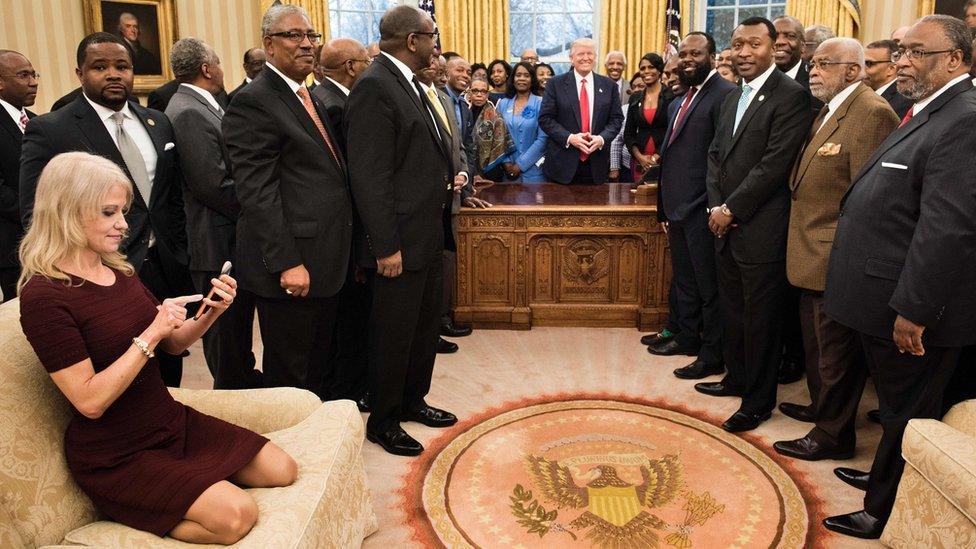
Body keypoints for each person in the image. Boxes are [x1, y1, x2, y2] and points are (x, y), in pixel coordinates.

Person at [18, 151, 297, 544]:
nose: (123, 225)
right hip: (116, 453)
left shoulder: (118, 269)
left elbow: (174, 344)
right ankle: (133, 505)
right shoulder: (45, 296)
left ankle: (185, 487)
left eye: (124, 211)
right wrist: (150, 333)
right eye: (109, 213)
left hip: (167, 422)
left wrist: (211, 312)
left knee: (283, 469)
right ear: (68, 211)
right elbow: (89, 401)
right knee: (237, 517)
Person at [821, 15, 976, 539]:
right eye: (901, 50)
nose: (902, 60)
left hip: (910, 308)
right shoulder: (927, 109)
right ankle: (885, 473)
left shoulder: (965, 118)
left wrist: (914, 309)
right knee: (892, 408)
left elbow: (947, 228)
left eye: (916, 52)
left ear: (955, 59)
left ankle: (882, 508)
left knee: (907, 411)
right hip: (879, 293)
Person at [20, 32, 194, 387]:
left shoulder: (157, 122)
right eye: (100, 67)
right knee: (117, 370)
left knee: (169, 364)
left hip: (164, 264)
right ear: (79, 73)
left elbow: (170, 197)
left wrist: (180, 248)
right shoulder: (53, 129)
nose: (113, 74)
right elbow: (36, 214)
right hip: (99, 274)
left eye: (122, 66)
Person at [771, 38, 898, 461]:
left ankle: (832, 434)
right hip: (809, 251)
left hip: (834, 257)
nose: (813, 70)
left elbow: (868, 200)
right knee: (819, 349)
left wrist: (844, 255)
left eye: (824, 64)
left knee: (835, 354)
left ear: (853, 69)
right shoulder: (829, 109)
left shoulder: (872, 113)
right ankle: (823, 409)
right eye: (814, 62)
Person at [345, 5, 460, 456]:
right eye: (432, 35)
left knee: (422, 325)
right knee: (394, 332)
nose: (436, 44)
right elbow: (370, 177)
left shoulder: (410, 83)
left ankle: (413, 400)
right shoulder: (375, 86)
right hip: (398, 242)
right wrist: (385, 246)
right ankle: (384, 420)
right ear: (412, 40)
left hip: (426, 234)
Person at [222, 5, 352, 395]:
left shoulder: (305, 95)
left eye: (311, 36)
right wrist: (288, 262)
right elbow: (257, 193)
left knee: (317, 365)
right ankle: (288, 449)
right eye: (294, 35)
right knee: (290, 374)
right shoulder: (255, 100)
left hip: (326, 257)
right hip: (292, 265)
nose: (307, 44)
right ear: (269, 45)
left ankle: (316, 443)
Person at [696, 17, 811, 432]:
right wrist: (714, 207)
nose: (743, 52)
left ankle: (758, 402)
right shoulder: (732, 96)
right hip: (723, 224)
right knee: (733, 312)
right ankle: (737, 379)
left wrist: (731, 209)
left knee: (760, 320)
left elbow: (774, 165)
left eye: (753, 45)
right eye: (737, 44)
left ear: (772, 47)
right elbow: (714, 156)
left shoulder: (791, 95)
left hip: (760, 228)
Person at [164, 38, 261, 391]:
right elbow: (212, 184)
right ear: (207, 68)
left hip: (225, 235)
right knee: (222, 331)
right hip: (215, 238)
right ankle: (231, 394)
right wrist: (257, 209)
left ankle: (243, 380)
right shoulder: (188, 109)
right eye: (218, 62)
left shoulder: (201, 104)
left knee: (235, 329)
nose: (222, 69)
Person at [657, 32, 737, 381]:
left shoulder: (726, 95)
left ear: (712, 56)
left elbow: (723, 159)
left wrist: (713, 206)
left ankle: (712, 354)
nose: (687, 59)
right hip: (676, 208)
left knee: (709, 288)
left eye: (696, 53)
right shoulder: (679, 100)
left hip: (704, 210)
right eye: (684, 53)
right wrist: (664, 207)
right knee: (686, 281)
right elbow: (672, 158)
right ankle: (688, 338)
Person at [416, 56, 478, 354]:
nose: (440, 75)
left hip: (450, 197)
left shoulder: (444, 100)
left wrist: (464, 174)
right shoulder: (415, 99)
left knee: (443, 264)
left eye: (443, 70)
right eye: (437, 70)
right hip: (425, 201)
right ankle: (431, 326)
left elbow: (459, 146)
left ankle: (439, 320)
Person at [772, 14, 816, 386]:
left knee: (796, 287)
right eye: (778, 35)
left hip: (804, 202)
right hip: (766, 204)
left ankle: (793, 355)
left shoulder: (812, 82)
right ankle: (778, 351)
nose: (782, 41)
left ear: (802, 44)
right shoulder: (756, 82)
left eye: (790, 36)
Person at [539, 38, 624, 185]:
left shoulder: (609, 86)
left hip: (596, 165)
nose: (586, 58)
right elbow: (545, 119)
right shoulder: (555, 84)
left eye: (590, 53)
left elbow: (616, 119)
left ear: (595, 57)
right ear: (571, 58)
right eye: (580, 54)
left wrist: (602, 138)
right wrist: (569, 137)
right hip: (561, 165)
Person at [0, 50, 37, 302]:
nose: (33, 81)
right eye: (24, 75)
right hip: (11, 245)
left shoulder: (35, 121)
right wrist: (36, 215)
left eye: (34, 74)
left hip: (44, 244)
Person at [624, 53, 673, 185]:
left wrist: (656, 157)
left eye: (651, 67)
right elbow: (629, 133)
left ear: (659, 70)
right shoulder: (635, 98)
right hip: (639, 161)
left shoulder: (671, 95)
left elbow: (673, 130)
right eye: (643, 68)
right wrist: (640, 158)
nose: (646, 71)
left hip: (664, 158)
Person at [496, 61, 547, 183]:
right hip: (507, 173)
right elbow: (497, 138)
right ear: (513, 79)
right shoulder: (502, 104)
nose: (522, 78)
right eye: (518, 75)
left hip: (535, 173)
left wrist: (519, 165)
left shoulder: (541, 103)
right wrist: (507, 163)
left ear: (532, 79)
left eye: (526, 75)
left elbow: (543, 139)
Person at [313, 37, 370, 138]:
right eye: (367, 62)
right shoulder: (336, 109)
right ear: (350, 67)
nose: (370, 68)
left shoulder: (318, 93)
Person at [864, 39, 912, 118]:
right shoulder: (865, 95)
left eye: (869, 63)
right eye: (861, 63)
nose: (862, 69)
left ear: (891, 69)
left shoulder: (903, 102)